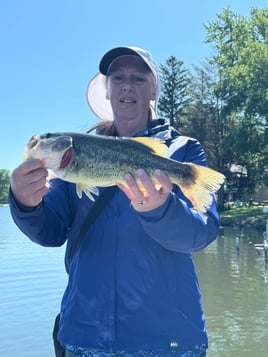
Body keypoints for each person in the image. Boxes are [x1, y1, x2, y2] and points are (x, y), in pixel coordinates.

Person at [9, 46, 220, 357]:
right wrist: (26, 203)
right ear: (106, 90)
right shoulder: (71, 165)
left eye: (138, 78)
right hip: (84, 336)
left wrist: (161, 211)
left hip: (169, 342)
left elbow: (201, 234)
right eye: (117, 77)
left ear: (153, 89)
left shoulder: (185, 150)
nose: (126, 85)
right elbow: (50, 231)